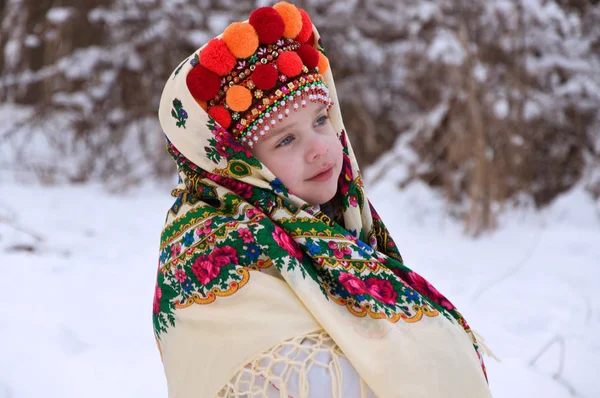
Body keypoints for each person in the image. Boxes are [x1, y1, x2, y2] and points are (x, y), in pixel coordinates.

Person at [153, 2, 493, 397]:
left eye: (319, 120)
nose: (319, 148)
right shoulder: (212, 254)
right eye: (285, 140)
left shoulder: (330, 227)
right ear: (234, 164)